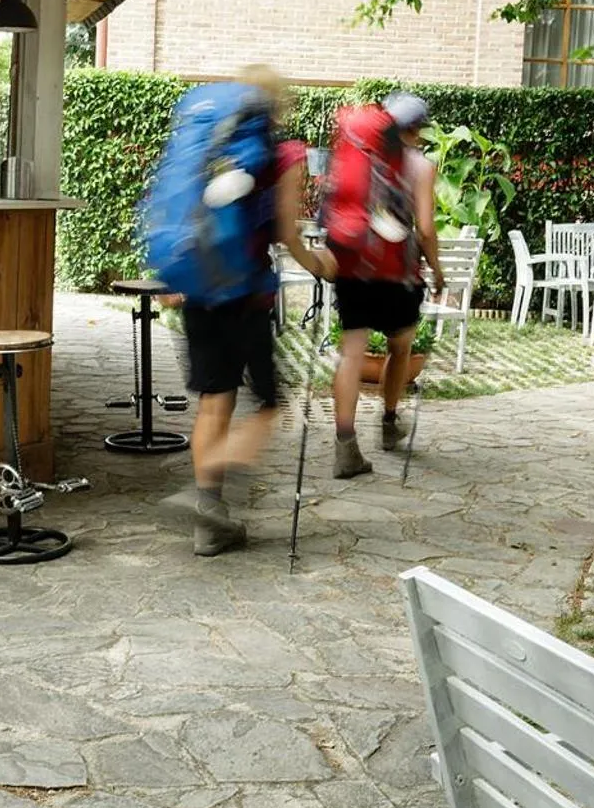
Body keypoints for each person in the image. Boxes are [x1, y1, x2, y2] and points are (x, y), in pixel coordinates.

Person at [152, 66, 334, 556]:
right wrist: (320, 265)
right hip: (246, 294)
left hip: (201, 288)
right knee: (270, 405)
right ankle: (205, 506)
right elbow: (285, 231)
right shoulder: (283, 153)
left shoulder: (212, 143)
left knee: (215, 401)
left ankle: (208, 516)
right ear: (279, 105)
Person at [325, 91, 443, 478]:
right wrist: (437, 270)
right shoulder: (421, 166)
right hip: (397, 272)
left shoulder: (358, 150)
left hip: (353, 263)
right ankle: (389, 423)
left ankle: (345, 447)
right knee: (401, 345)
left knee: (352, 353)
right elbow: (425, 229)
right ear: (418, 128)